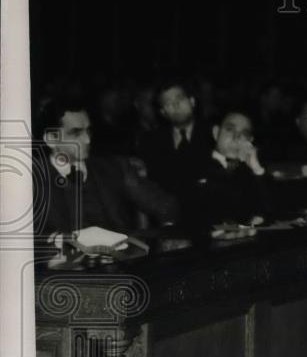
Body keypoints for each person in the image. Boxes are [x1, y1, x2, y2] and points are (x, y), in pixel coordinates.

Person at [33, 97, 178, 240]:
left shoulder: (115, 168)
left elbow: (167, 206)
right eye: (76, 133)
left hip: (121, 260)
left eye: (88, 131)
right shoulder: (31, 180)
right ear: (51, 139)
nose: (87, 140)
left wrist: (169, 233)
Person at [143, 79, 215, 206]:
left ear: (192, 101)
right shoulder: (152, 142)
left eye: (180, 99)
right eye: (168, 103)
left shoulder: (213, 135)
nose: (176, 105)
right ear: (163, 112)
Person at [191, 111, 271, 227]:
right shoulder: (196, 165)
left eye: (244, 133)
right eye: (230, 129)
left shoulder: (253, 171)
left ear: (250, 141)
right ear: (216, 132)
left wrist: (256, 169)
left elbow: (271, 211)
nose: (236, 137)